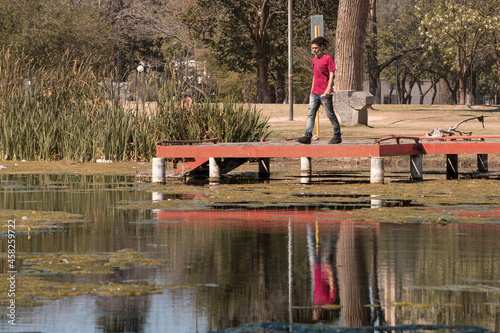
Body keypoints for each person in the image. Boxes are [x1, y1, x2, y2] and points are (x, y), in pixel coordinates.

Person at [296, 37, 342, 144]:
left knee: (330, 114)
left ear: (322, 47)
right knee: (310, 114)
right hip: (314, 93)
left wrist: (327, 89)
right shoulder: (314, 60)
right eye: (313, 48)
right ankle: (308, 136)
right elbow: (315, 76)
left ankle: (337, 135)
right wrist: (311, 90)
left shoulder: (328, 58)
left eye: (316, 48)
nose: (314, 50)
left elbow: (331, 75)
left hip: (325, 93)